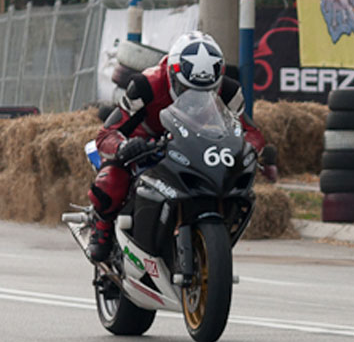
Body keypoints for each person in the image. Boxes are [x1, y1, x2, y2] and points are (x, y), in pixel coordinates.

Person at [85, 31, 265, 262]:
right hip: (149, 143)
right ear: (172, 74)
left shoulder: (229, 91)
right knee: (112, 179)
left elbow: (251, 132)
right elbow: (107, 133)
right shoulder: (145, 86)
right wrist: (124, 146)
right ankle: (102, 227)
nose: (195, 98)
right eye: (186, 89)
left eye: (206, 91)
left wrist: (249, 149)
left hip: (196, 144)